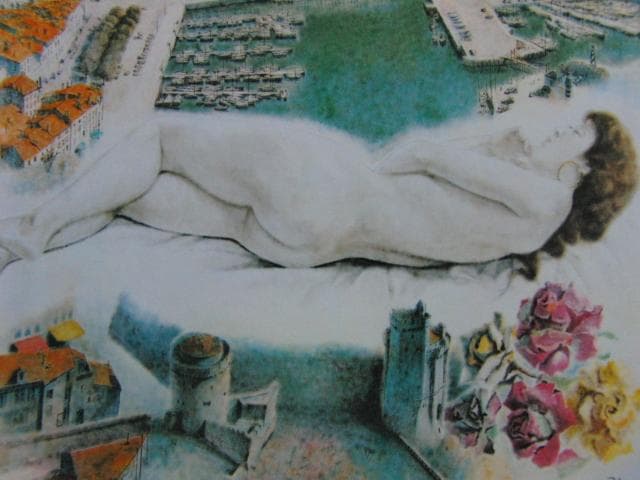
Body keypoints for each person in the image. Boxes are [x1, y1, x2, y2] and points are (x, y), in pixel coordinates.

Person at [0, 111, 636, 277]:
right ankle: (23, 243)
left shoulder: (543, 199)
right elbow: (417, 245)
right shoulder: (525, 231)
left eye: (568, 135)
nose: (550, 131)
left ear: (580, 170)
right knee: (131, 195)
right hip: (306, 247)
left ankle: (34, 226)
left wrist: (502, 145)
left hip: (323, 187)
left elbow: (423, 153)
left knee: (159, 138)